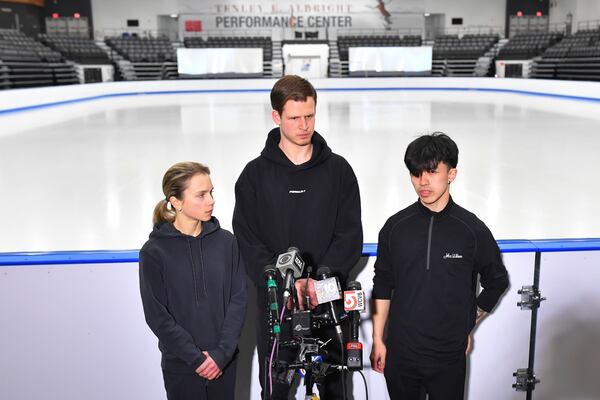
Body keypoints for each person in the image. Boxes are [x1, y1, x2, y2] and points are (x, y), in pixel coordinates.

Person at [233, 75, 363, 399]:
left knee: (335, 389)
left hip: (328, 303)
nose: (304, 125)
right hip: (277, 305)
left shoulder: (339, 171)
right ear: (276, 117)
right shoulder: (254, 176)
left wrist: (319, 282)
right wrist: (283, 283)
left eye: (310, 115)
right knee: (275, 391)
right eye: (294, 118)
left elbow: (349, 236)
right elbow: (248, 241)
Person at [370, 133, 509, 400]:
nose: (423, 182)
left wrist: (468, 322)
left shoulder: (471, 230)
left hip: (447, 359)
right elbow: (382, 285)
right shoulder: (395, 227)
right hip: (401, 355)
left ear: (451, 174)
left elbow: (497, 281)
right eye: (416, 173)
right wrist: (378, 339)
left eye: (432, 172)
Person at [139, 162, 247, 400]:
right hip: (181, 365)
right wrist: (196, 359)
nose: (211, 200)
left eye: (211, 192)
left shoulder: (227, 242)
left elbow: (238, 300)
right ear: (175, 201)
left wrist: (221, 355)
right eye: (201, 195)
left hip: (225, 362)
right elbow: (157, 315)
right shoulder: (154, 252)